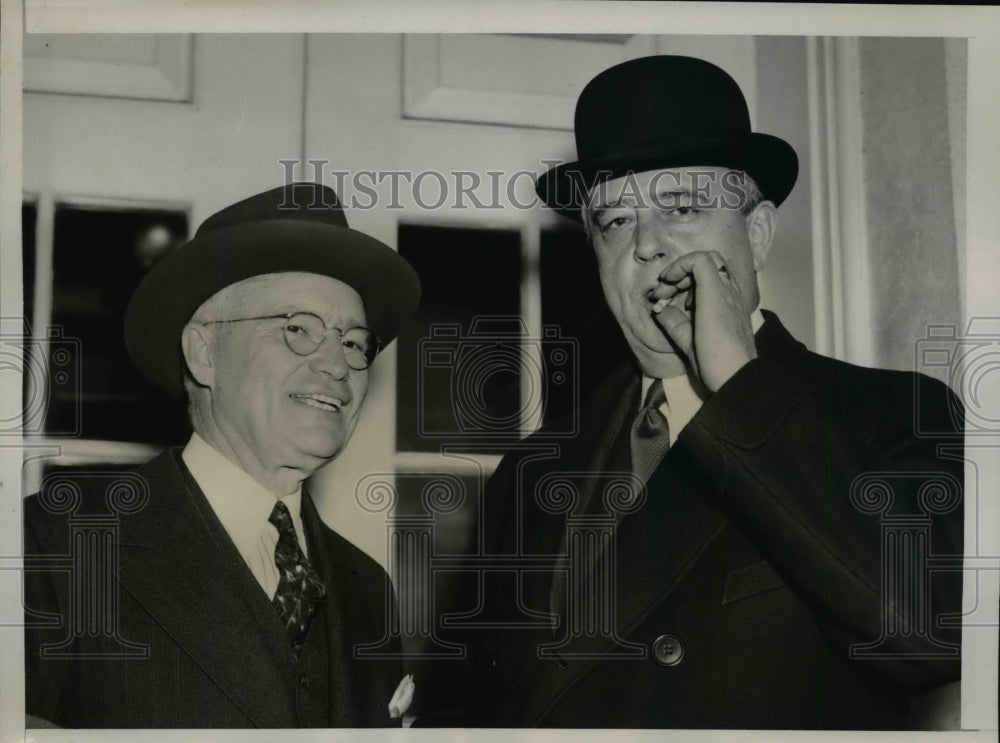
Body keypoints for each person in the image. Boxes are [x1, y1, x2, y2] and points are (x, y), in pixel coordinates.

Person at [444, 55, 964, 729]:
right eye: (616, 222)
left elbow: (928, 637)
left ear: (756, 235)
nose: (649, 247)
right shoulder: (529, 471)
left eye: (683, 208)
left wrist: (740, 386)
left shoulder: (895, 416)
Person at [23, 183, 421, 728]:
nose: (338, 364)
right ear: (204, 353)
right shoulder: (56, 542)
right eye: (297, 329)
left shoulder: (367, 587)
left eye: (354, 342)